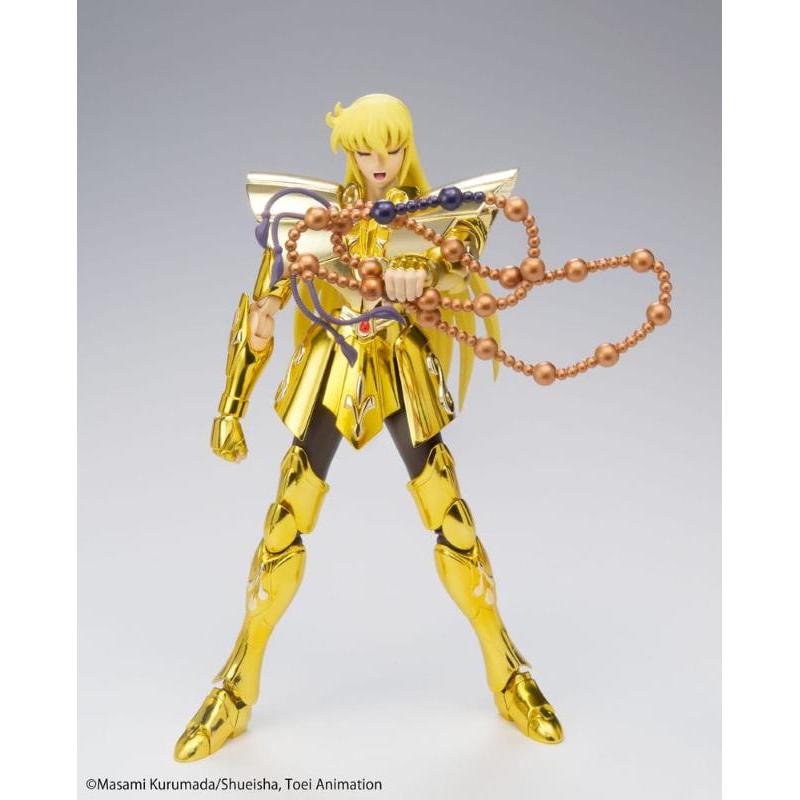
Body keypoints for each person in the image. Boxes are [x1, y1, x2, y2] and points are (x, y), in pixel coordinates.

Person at [174, 94, 563, 762]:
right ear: (348, 153)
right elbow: (262, 309)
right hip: (335, 367)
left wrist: (428, 266)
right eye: (364, 151)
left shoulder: (429, 218)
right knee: (284, 520)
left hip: (401, 370)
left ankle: (507, 672)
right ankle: (236, 687)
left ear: (407, 147)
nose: (379, 163)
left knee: (451, 517)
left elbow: (467, 244)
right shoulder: (312, 218)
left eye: (391, 149)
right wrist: (231, 404)